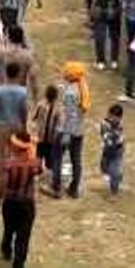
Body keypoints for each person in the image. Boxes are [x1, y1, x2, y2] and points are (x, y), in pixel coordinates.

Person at [0, 131, 42, 268]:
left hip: (10, 204)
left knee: (9, 229)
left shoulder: (8, 164)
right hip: (27, 204)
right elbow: (40, 170)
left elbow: (2, 187)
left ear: (16, 148)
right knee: (23, 239)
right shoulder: (35, 163)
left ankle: (6, 249)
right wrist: (32, 149)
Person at [51, 62, 90, 198]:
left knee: (57, 158)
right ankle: (74, 188)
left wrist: (66, 134)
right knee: (76, 160)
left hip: (66, 131)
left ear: (70, 75)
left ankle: (56, 187)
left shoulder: (69, 94)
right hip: (79, 131)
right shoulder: (82, 86)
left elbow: (70, 115)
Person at [0, 61, 29, 171]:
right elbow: (24, 111)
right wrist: (24, 126)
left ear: (6, 73)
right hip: (17, 125)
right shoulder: (23, 92)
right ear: (18, 74)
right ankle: (12, 172)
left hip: (1, 126)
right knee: (15, 151)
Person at [99, 104, 125, 195]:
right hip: (106, 151)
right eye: (109, 116)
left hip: (117, 151)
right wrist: (111, 136)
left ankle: (114, 190)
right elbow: (105, 137)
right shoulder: (104, 123)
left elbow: (119, 140)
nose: (111, 118)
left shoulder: (121, 124)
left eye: (113, 117)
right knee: (104, 168)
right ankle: (117, 175)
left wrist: (115, 136)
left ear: (119, 117)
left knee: (114, 171)